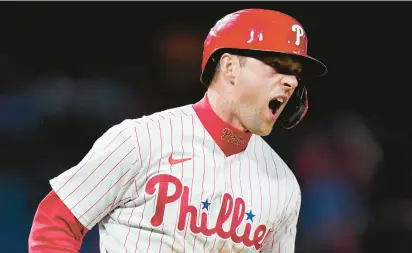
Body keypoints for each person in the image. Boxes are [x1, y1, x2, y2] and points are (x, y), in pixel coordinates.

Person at [28, 8, 327, 253]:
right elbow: (55, 223)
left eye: (295, 72)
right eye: (276, 64)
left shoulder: (283, 184)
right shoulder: (142, 140)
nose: (290, 81)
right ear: (230, 67)